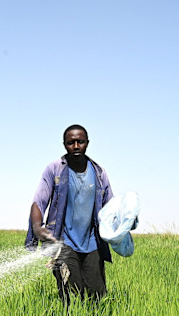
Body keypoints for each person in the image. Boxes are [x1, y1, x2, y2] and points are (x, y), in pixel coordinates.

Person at [26, 124, 113, 305]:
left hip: (92, 242)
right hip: (63, 242)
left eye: (80, 142)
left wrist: (126, 223)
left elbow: (111, 208)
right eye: (70, 142)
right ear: (64, 144)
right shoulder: (54, 169)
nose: (75, 146)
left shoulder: (99, 173)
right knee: (72, 291)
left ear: (87, 143)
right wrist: (37, 227)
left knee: (96, 295)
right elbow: (38, 202)